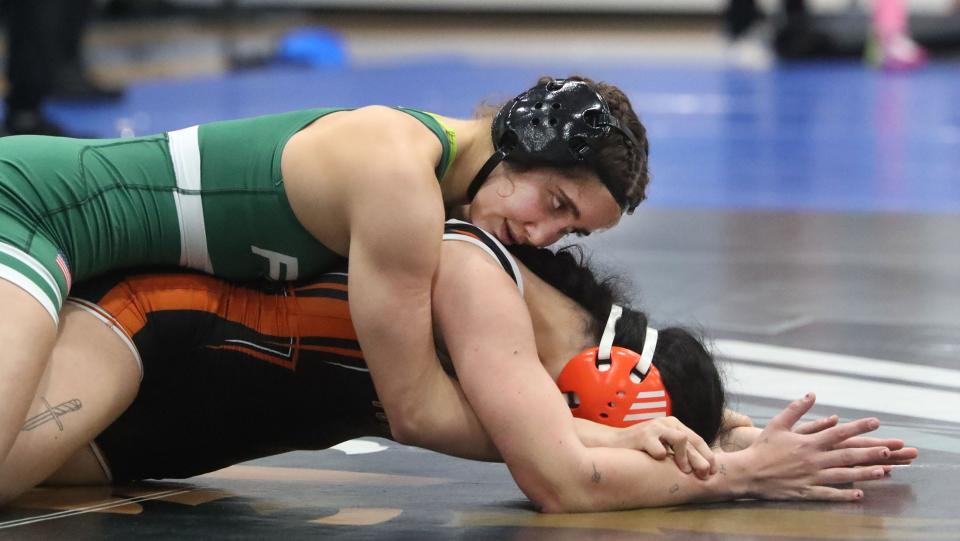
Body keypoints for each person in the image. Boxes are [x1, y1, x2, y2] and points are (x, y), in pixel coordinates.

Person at [1, 221, 915, 510]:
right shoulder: (483, 291)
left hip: (159, 436)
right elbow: (568, 475)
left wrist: (732, 435)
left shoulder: (577, 356)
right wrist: (737, 473)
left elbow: (606, 432)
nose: (645, 442)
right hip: (142, 331)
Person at [0, 75, 650, 473]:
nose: (542, 236)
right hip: (30, 209)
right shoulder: (399, 182)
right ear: (525, 140)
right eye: (556, 204)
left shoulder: (438, 191)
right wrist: (589, 439)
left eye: (571, 231)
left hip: (74, 255)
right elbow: (416, 410)